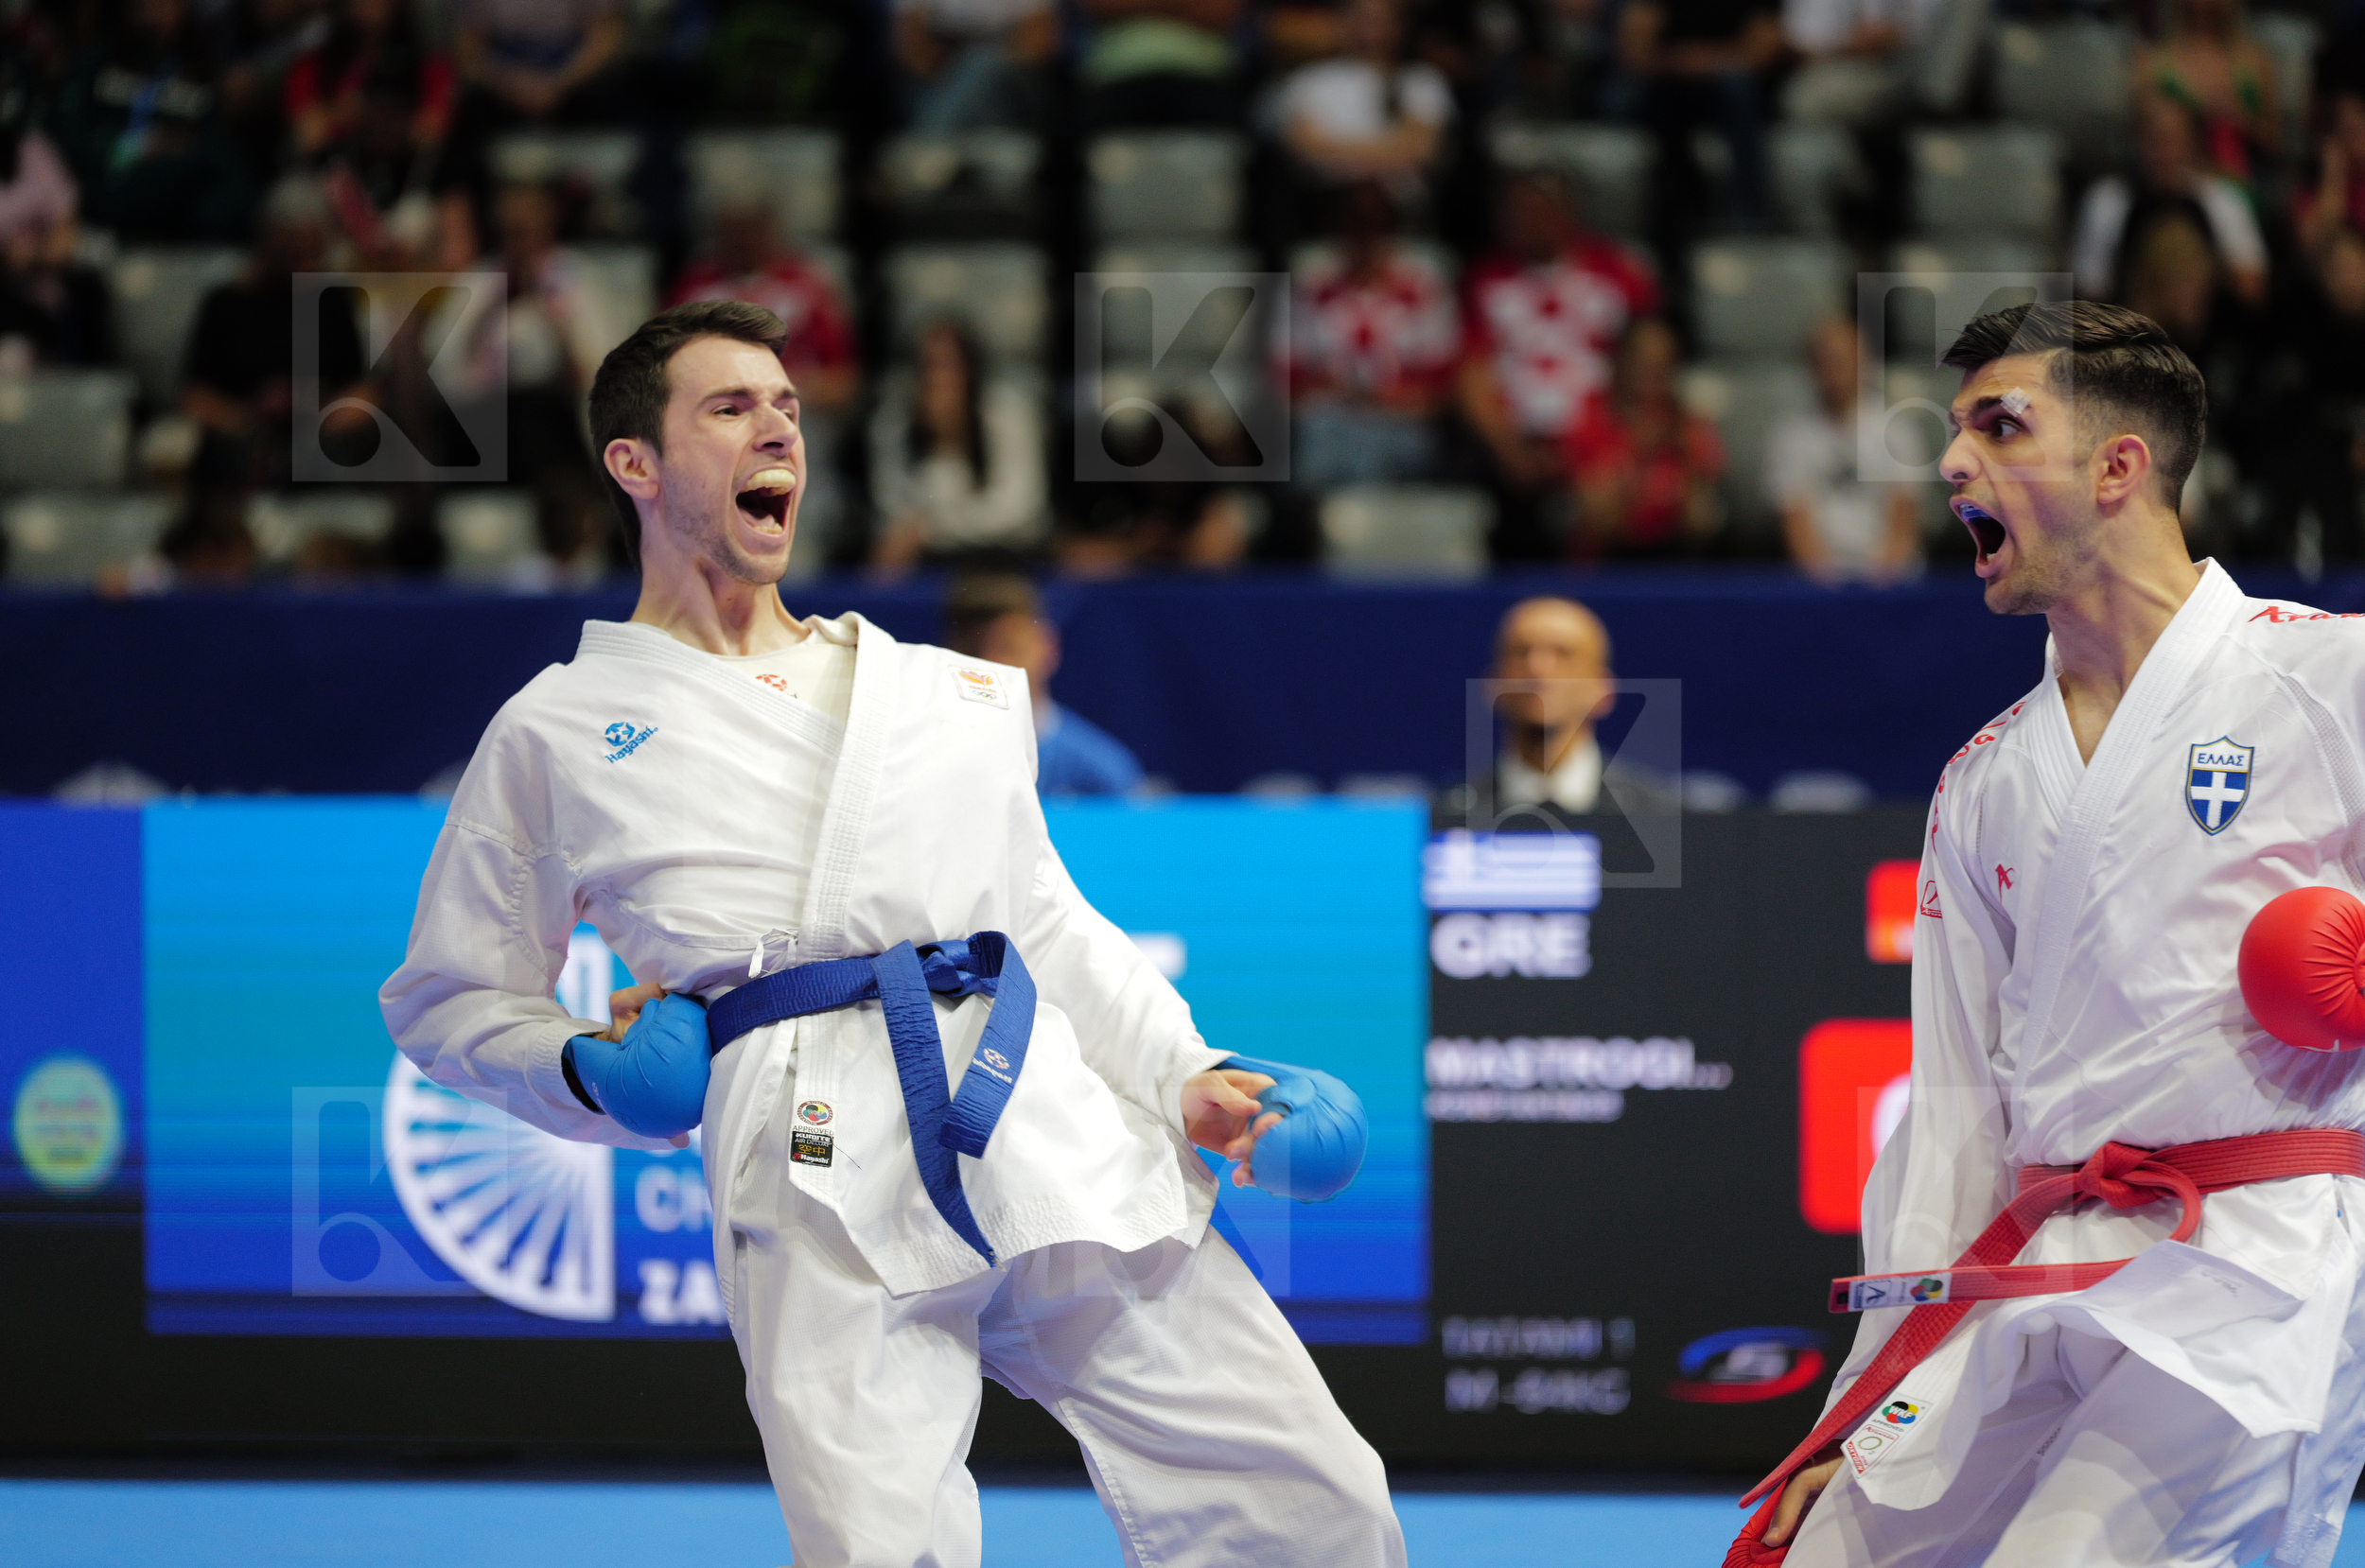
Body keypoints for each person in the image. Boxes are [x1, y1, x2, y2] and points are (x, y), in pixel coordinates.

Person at [379, 300, 1402, 1568]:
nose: (778, 431)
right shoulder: (561, 726)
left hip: (1030, 1098)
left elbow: (1047, 923)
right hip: (804, 1151)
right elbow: (446, 998)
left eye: (789, 409)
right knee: (881, 1551)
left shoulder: (947, 692)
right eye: (731, 407)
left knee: (1311, 1492)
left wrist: (1186, 1071)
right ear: (634, 464)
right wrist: (582, 1066)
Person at [1734, 300, 2365, 1567]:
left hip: (2246, 1273)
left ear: (2116, 466)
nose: (1951, 464)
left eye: (1998, 427)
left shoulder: (2329, 677)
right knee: (1818, 1551)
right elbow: (1953, 1128)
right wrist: (1850, 1409)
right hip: (2028, 1268)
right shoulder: (1982, 781)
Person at [1458, 168, 1659, 559]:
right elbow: (1471, 371)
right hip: (1514, 446)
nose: (1524, 221)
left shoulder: (1616, 272)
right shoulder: (1486, 277)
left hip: (1602, 436)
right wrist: (1508, 448)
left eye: (1538, 210)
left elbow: (1647, 355)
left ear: (1567, 213)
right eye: (1516, 211)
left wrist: (1611, 440)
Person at [1283, 181, 1460, 489]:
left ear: (1393, 230)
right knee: (1322, 433)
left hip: (1401, 427)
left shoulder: (1423, 293)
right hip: (1329, 424)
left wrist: (1377, 400)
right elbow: (1287, 384)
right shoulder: (1310, 291)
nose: (1364, 237)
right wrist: (1346, 397)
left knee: (1374, 449)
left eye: (1375, 225)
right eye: (1353, 224)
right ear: (1335, 229)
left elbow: (1438, 393)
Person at [867, 315, 1049, 571]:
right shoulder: (893, 424)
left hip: (1002, 555)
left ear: (971, 369)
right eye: (927, 366)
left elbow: (1019, 508)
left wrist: (935, 529)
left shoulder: (1008, 415)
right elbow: (892, 506)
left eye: (948, 366)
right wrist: (940, 444)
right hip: (926, 558)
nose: (938, 378)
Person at [943, 573, 1146, 796]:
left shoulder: (1101, 772)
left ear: (1048, 647)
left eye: (1009, 648)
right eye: (970, 652)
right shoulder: (929, 756)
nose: (991, 665)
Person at [2072, 93, 2269, 309]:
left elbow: (2252, 289)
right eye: (2154, 141)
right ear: (2137, 142)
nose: (2164, 153)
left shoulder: (2222, 199)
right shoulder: (2107, 199)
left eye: (2173, 140)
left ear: (2193, 143)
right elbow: (2090, 290)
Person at [1770, 318, 1920, 584]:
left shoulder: (1897, 431)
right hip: (1818, 582)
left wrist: (1879, 583)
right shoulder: (1790, 435)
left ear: (1866, 363)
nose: (1836, 371)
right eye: (1827, 361)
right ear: (1811, 367)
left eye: (1845, 360)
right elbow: (1794, 518)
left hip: (1888, 580)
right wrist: (1830, 586)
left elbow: (1904, 516)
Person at [1560, 315, 1725, 559]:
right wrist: (1641, 454)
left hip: (1673, 566)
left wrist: (1689, 462)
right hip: (1604, 568)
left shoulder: (1690, 427)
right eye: (1642, 364)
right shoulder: (1588, 422)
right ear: (1619, 362)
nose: (1652, 378)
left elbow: (1702, 527)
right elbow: (1601, 526)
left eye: (1663, 367)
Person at [1274, 0, 1455, 207]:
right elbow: (1306, 148)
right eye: (1363, 18)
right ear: (1343, 22)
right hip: (1325, 205)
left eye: (1380, 20)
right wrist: (1390, 153)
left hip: (1403, 206)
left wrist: (1339, 155)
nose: (1371, 29)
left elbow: (1422, 149)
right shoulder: (1309, 80)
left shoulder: (1422, 80)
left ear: (1399, 26)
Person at [2134, 0, 2280, 185]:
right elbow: (2144, 138)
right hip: (2173, 187)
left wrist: (2240, 118)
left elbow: (2274, 145)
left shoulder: (2256, 61)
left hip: (2240, 186)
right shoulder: (2152, 64)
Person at [889, 0, 1056, 131]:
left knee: (980, 62)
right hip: (941, 78)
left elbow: (1037, 47)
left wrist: (984, 57)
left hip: (1011, 82)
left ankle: (929, 140)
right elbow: (912, 50)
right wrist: (956, 64)